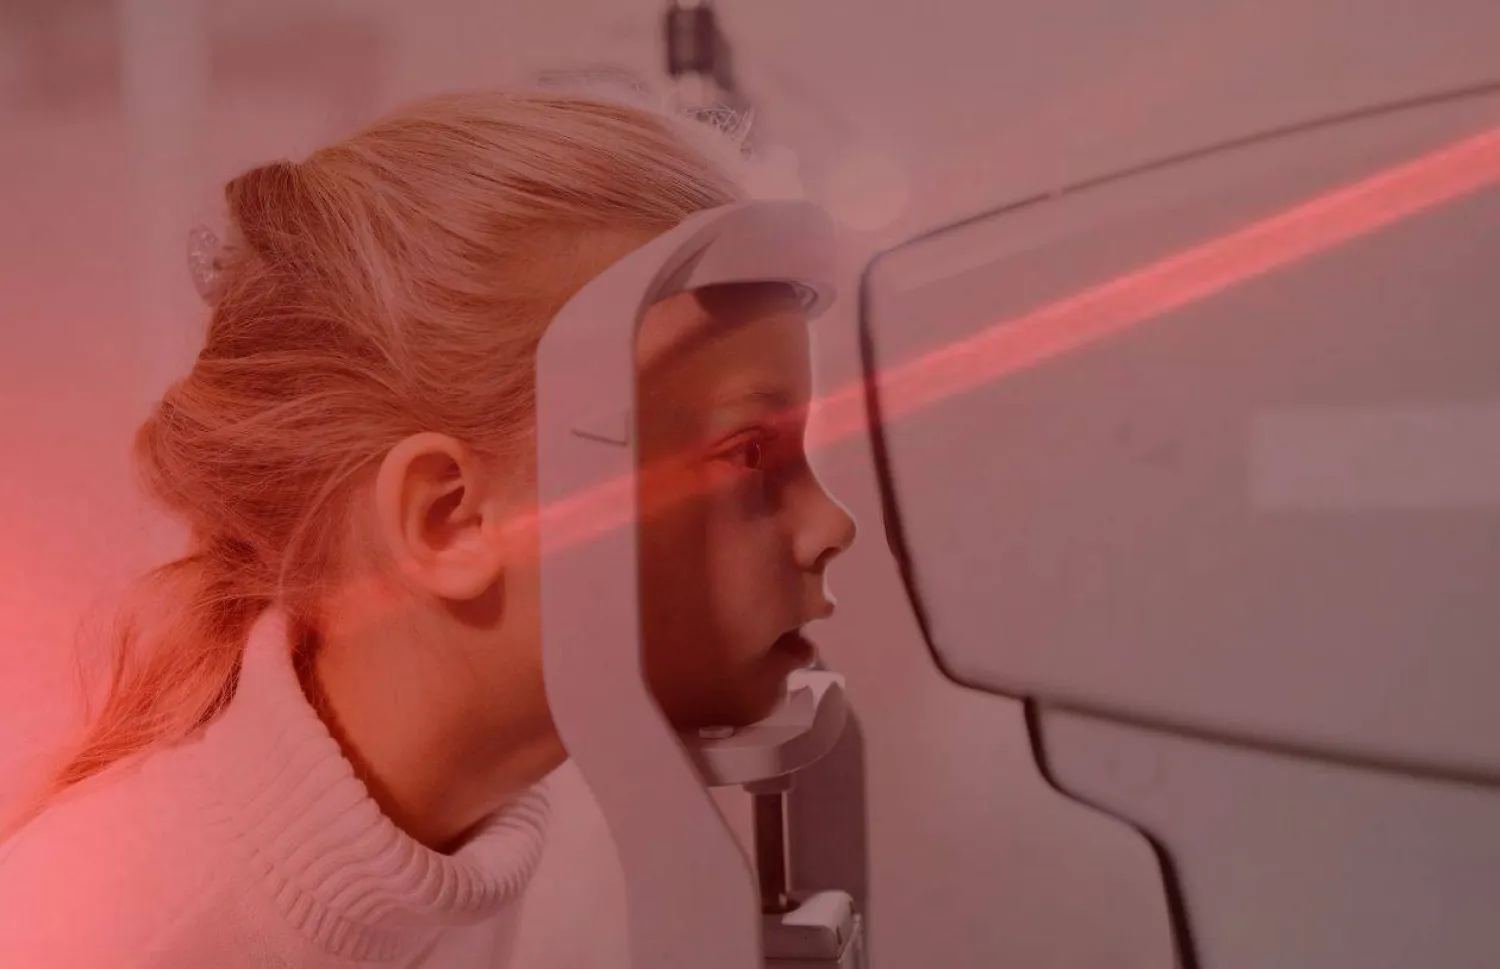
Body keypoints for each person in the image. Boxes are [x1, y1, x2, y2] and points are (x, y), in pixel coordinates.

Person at [0, 87, 856, 967]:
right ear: (450, 520)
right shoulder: (98, 941)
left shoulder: (588, 855)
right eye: (748, 454)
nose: (831, 525)